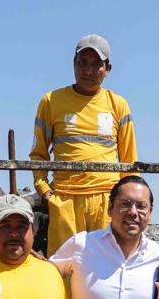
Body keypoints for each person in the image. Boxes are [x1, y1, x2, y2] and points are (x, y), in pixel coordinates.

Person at [30, 34, 137, 255]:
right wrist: (45, 191)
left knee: (108, 264)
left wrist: (127, 201)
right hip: (65, 199)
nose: (88, 70)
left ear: (108, 69)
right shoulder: (51, 101)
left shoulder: (118, 105)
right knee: (65, 267)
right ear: (73, 64)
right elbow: (38, 154)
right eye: (82, 63)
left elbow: (129, 162)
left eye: (96, 64)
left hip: (107, 199)